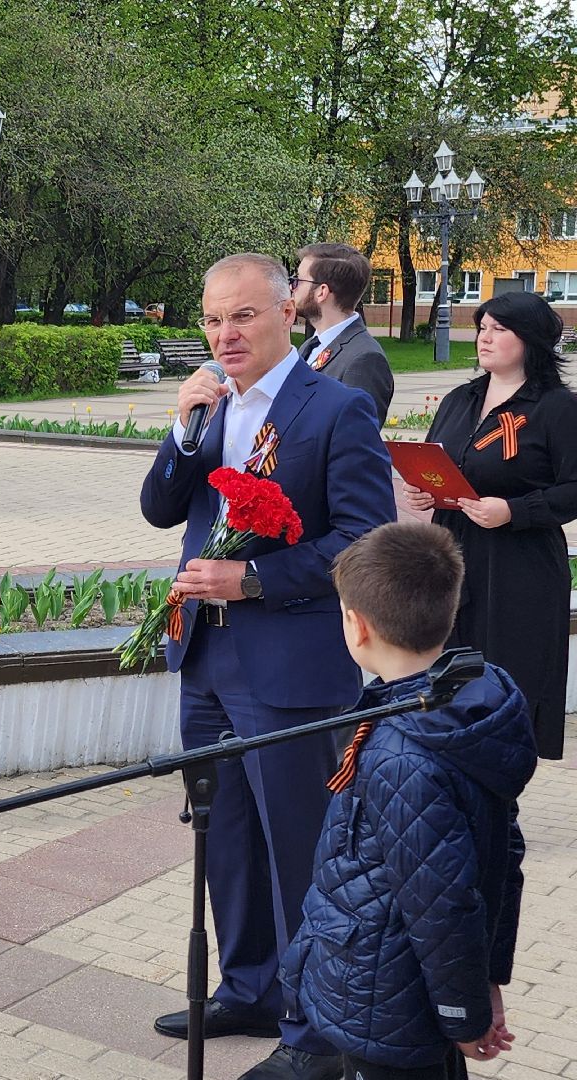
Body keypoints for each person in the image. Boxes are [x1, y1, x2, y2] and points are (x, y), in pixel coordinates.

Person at [140, 253, 396, 1080]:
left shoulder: (337, 408)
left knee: (298, 850)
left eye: (242, 316)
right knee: (227, 841)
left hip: (289, 667)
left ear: (287, 309)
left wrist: (250, 580)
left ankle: (315, 1029)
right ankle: (249, 987)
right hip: (205, 658)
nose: (224, 334)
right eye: (213, 319)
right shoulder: (210, 401)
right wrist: (183, 429)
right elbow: (159, 508)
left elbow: (360, 541)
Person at [284, 519, 536, 1080]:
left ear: (357, 625)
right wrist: (484, 984)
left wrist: (464, 1016)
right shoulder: (460, 701)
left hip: (387, 993)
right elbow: (497, 859)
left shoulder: (404, 754)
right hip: (403, 982)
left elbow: (443, 904)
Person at [402, 291, 577, 761]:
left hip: (519, 566)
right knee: (447, 675)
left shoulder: (557, 408)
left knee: (506, 679)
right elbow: (439, 459)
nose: (485, 336)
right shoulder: (461, 399)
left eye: (500, 329)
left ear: (531, 340)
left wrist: (516, 511)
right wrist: (426, 489)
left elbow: (573, 488)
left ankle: (502, 804)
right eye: (482, 327)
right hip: (451, 554)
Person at [290, 243, 394, 421]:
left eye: (299, 281)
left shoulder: (365, 359)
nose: (292, 287)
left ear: (321, 292)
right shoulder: (310, 346)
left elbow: (356, 438)